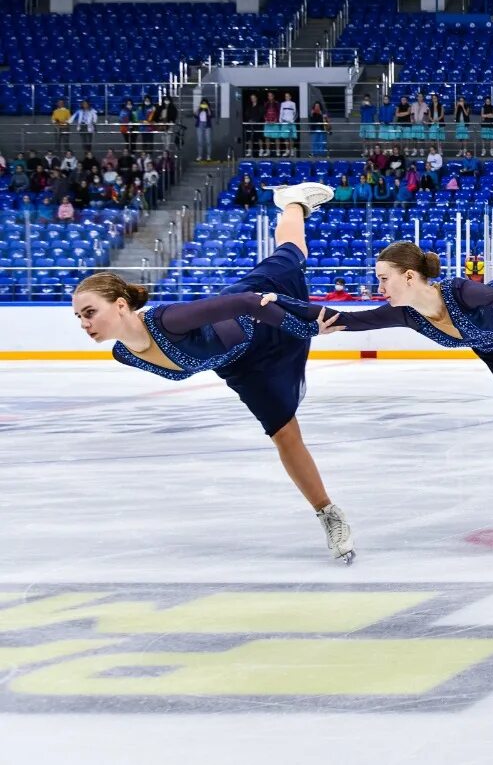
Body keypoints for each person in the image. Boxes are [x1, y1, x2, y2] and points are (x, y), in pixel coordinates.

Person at [264, 224, 493, 548]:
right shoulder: (404, 313)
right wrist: (280, 302)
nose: (378, 287)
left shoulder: (460, 291)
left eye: (383, 278)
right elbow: (346, 320)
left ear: (407, 277)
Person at [71, 182, 355, 562]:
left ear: (121, 305)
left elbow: (244, 302)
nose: (84, 323)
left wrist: (306, 329)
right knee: (285, 435)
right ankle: (329, 514)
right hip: (242, 366)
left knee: (292, 253)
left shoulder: (168, 320)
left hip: (263, 309)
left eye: (89, 313)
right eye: (78, 317)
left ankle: (292, 202)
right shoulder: (124, 353)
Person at [242, 92, 264, 158]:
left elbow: (261, 114)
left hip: (257, 124)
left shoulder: (260, 106)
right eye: (251, 98)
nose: (253, 99)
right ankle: (249, 151)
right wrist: (249, 120)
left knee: (259, 137)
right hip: (250, 124)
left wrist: (255, 120)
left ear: (256, 98)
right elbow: (246, 114)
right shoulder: (249, 106)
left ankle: (261, 150)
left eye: (254, 98)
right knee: (249, 138)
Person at [278, 92, 298, 157]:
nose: (286, 97)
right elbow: (281, 112)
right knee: (285, 137)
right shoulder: (282, 104)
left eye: (287, 96)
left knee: (291, 137)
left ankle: (292, 151)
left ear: (290, 97)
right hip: (284, 122)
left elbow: (295, 113)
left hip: (291, 122)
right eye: (285, 96)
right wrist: (280, 120)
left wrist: (292, 120)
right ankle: (287, 151)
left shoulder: (293, 103)